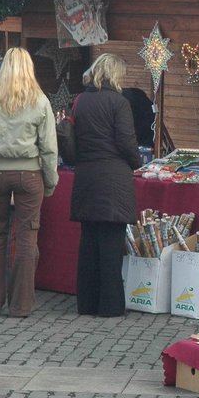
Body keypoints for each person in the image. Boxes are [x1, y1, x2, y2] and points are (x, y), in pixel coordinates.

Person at [0, 47, 58, 317]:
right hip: (28, 173)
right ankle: (21, 304)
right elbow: (48, 148)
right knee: (26, 236)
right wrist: (51, 179)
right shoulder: (39, 100)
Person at [70, 53, 142, 317]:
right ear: (114, 75)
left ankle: (86, 303)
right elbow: (126, 141)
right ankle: (110, 306)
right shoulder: (119, 102)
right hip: (113, 178)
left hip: (86, 176)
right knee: (111, 245)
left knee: (88, 243)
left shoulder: (80, 100)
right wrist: (137, 162)